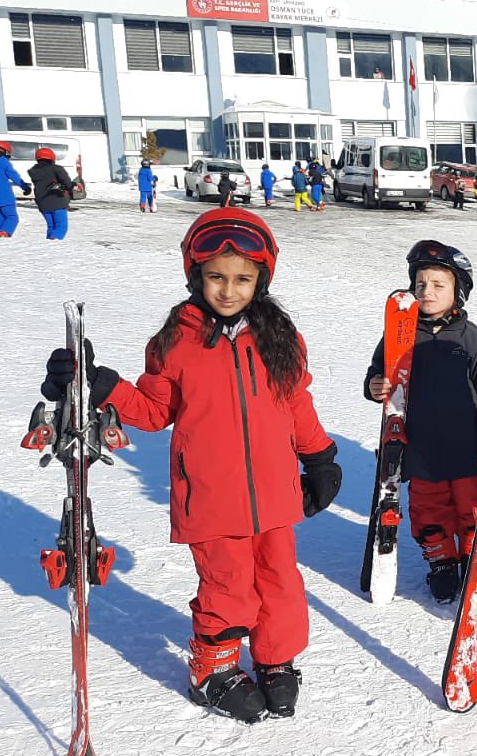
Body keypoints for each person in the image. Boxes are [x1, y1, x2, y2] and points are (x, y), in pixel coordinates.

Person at [38, 209, 342, 722]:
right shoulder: (177, 340)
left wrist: (319, 457)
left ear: (260, 280)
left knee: (280, 583)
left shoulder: (278, 336)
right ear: (195, 275)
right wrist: (101, 384)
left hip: (274, 494)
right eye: (216, 277)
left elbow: (296, 401)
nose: (228, 290)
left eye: (242, 279)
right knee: (228, 586)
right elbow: (155, 412)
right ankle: (213, 668)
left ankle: (275, 659)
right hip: (211, 497)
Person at [363, 241, 477, 602]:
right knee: (428, 510)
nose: (427, 292)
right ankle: (441, 561)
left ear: (458, 291)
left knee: (469, 509)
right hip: (419, 449)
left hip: (466, 450)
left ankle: (471, 557)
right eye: (420, 284)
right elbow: (380, 374)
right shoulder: (399, 334)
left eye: (439, 285)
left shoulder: (472, 340)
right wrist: (375, 385)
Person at [28, 147, 75, 240]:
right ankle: (54, 241)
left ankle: (49, 243)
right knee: (61, 227)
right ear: (52, 158)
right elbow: (66, 183)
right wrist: (71, 186)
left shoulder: (33, 172)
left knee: (51, 226)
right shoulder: (57, 169)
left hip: (42, 202)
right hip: (57, 200)